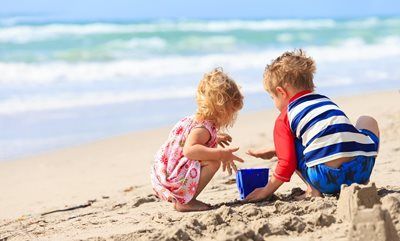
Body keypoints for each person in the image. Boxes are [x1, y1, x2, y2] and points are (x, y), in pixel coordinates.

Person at [246, 49, 379, 201]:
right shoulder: (325, 101)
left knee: (294, 142)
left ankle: (313, 190)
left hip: (326, 179)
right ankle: (364, 182)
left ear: (281, 92)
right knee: (367, 120)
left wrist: (265, 191)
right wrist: (275, 149)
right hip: (361, 170)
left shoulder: (285, 116)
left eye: (272, 97)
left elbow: (287, 163)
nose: (274, 103)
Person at [151, 68, 245, 211]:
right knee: (213, 163)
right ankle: (185, 202)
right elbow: (190, 151)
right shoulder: (203, 128)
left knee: (210, 158)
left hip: (167, 170)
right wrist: (221, 154)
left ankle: (185, 199)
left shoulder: (196, 121)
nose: (232, 117)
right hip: (175, 177)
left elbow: (189, 141)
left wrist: (215, 138)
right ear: (221, 109)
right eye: (232, 112)